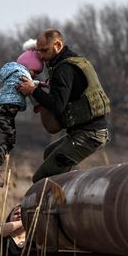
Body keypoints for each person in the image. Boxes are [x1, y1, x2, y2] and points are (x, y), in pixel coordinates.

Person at [17, 29, 111, 183]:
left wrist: (33, 90)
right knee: (49, 153)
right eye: (38, 50)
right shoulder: (73, 61)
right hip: (84, 131)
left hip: (89, 134)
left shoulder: (64, 69)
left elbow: (57, 105)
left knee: (41, 179)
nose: (40, 55)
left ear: (58, 45)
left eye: (44, 50)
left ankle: (59, 201)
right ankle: (64, 192)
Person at [0, 40, 44, 188]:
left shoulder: (14, 72)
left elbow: (30, 82)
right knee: (9, 142)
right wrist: (39, 95)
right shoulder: (22, 74)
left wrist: (39, 83)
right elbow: (30, 85)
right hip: (6, 110)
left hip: (0, 110)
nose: (34, 76)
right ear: (30, 66)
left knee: (8, 140)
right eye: (35, 72)